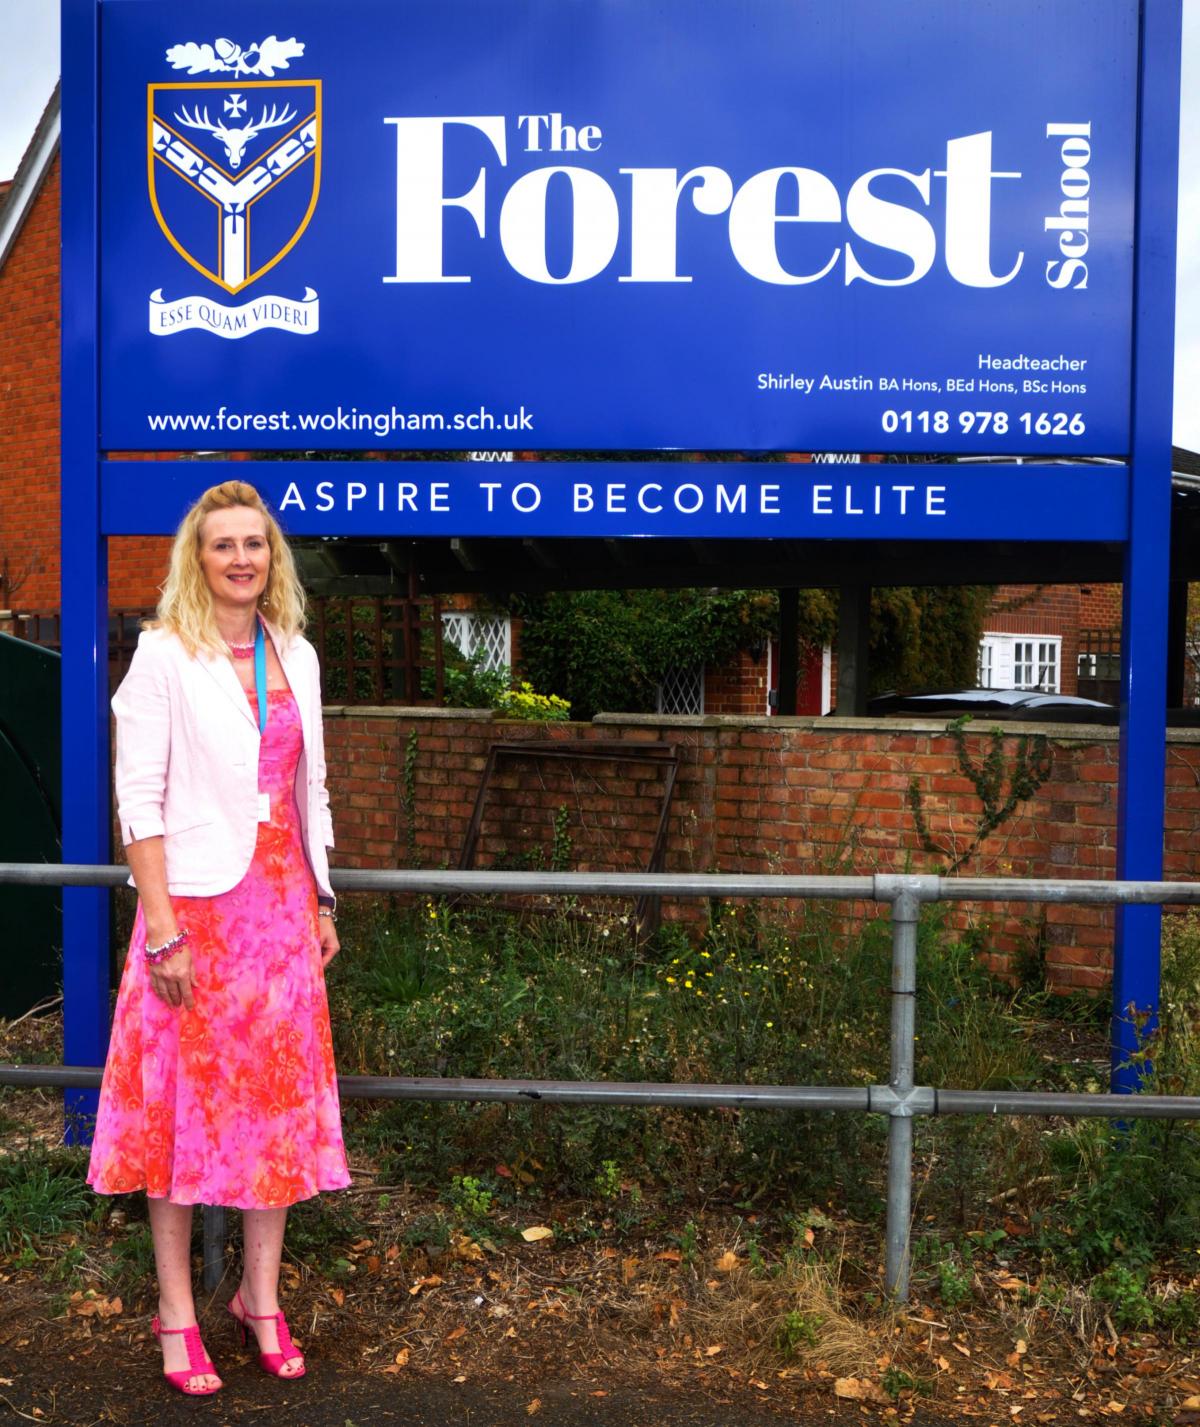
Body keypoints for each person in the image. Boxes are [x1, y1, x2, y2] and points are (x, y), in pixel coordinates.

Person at [87, 480, 350, 1395]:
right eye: (222, 544)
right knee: (181, 1122)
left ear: (273, 559)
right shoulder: (163, 655)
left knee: (273, 1118)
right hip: (193, 919)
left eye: (255, 544)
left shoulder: (300, 656)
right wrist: (160, 931)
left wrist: (322, 899)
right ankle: (175, 1313)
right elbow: (139, 802)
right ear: (195, 561)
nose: (242, 558)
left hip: (280, 917)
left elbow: (306, 790)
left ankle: (260, 1299)